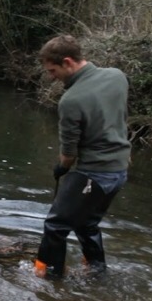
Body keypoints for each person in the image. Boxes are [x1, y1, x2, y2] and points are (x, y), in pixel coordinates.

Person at [34, 35, 131, 279]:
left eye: (52, 70)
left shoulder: (71, 100)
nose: (51, 76)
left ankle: (49, 280)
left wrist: (61, 168)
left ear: (67, 62)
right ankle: (97, 273)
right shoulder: (117, 76)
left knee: (56, 226)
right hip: (118, 170)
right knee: (86, 224)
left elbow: (69, 154)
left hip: (95, 173)